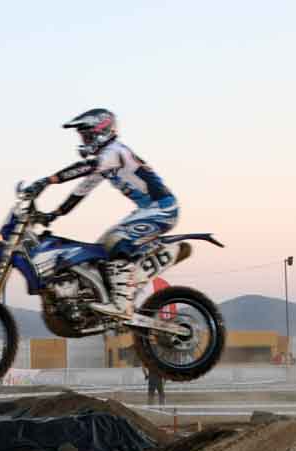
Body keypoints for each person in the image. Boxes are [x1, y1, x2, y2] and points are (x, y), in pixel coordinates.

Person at [22, 108, 190, 318]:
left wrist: (47, 181)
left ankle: (122, 304)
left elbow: (85, 167)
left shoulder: (115, 152)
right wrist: (53, 214)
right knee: (100, 251)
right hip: (149, 210)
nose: (84, 139)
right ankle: (108, 296)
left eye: (87, 134)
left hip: (163, 209)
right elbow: (81, 191)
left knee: (117, 241)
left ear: (102, 131)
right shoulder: (105, 163)